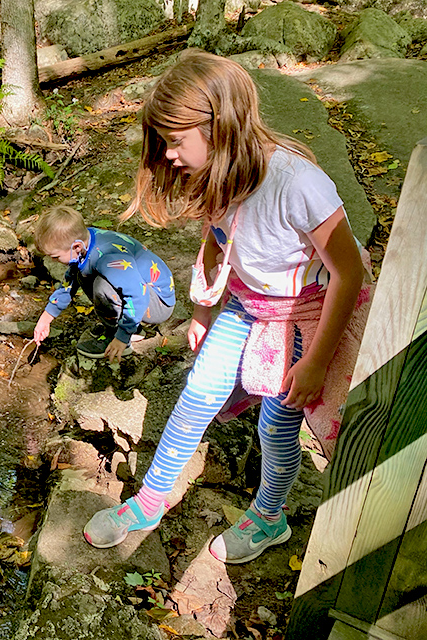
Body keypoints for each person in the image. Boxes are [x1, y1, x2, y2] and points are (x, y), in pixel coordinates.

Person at [82, 49, 370, 564]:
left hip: (301, 315)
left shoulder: (297, 183)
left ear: (220, 126)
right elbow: (218, 240)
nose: (168, 156)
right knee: (197, 393)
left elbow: (347, 273)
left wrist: (317, 361)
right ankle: (150, 501)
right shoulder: (219, 171)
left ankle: (269, 515)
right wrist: (202, 311)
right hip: (246, 305)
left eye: (175, 142)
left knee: (276, 425)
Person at [31, 205, 176, 361]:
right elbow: (70, 282)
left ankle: (121, 337)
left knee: (102, 286)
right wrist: (46, 317)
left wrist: (122, 337)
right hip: (141, 292)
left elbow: (137, 295)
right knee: (83, 275)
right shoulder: (86, 243)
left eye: (55, 256)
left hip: (158, 302)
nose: (52, 261)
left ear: (77, 246)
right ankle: (122, 326)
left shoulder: (108, 258)